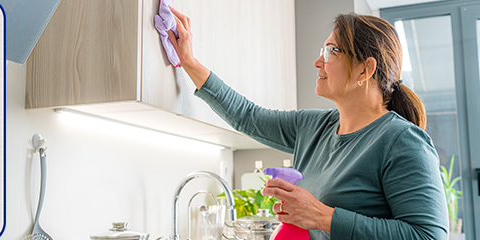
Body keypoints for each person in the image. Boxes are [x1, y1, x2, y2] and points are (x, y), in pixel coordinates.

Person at [166, 8, 448, 240]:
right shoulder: (314, 127)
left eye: (330, 52)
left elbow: (428, 235)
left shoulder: (402, 141)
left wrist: (323, 217)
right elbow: (247, 116)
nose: (317, 62)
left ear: (365, 69)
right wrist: (189, 61)